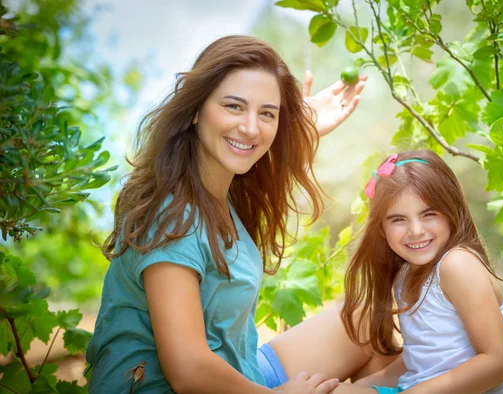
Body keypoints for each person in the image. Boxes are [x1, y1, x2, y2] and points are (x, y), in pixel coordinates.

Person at [86, 35, 393, 394]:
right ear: (196, 108)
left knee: (369, 325)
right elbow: (187, 370)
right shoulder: (173, 217)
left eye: (267, 113)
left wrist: (297, 130)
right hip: (164, 386)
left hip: (237, 370)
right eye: (234, 107)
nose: (250, 127)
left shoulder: (218, 191)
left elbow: (258, 149)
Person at [331, 150, 503, 394]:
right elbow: (423, 362)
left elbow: (500, 363)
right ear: (381, 227)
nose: (416, 230)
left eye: (428, 214)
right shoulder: (405, 273)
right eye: (398, 219)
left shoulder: (458, 266)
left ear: (451, 210)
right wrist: (358, 387)